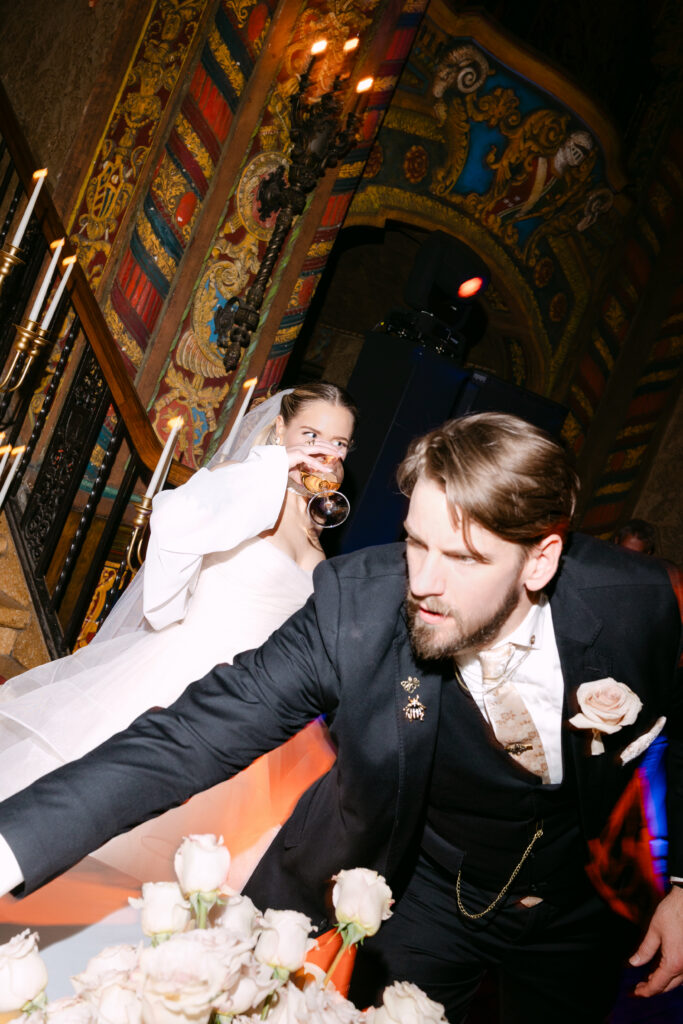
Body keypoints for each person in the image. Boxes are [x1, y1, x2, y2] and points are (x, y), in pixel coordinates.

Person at [0, 412, 680, 1023]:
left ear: (540, 560)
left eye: (463, 559)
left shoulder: (634, 602)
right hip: (414, 888)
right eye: (416, 543)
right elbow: (189, 735)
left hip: (579, 905)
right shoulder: (353, 608)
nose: (423, 583)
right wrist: (8, 848)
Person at [0, 380, 355, 918]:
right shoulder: (242, 485)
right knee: (97, 837)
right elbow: (174, 523)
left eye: (340, 444)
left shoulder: (315, 526)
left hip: (262, 711)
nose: (325, 453)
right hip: (185, 680)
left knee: (193, 897)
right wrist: (269, 472)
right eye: (311, 435)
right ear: (279, 429)